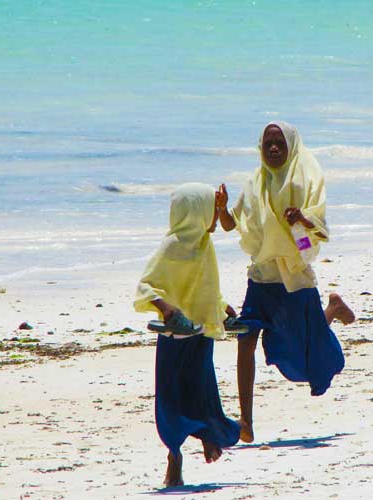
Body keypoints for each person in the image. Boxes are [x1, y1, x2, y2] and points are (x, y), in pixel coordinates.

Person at [217, 121, 355, 443]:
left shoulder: (305, 179)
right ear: (260, 148)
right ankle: (246, 422)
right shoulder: (254, 182)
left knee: (303, 359)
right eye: (268, 144)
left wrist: (303, 220)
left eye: (279, 143)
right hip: (261, 276)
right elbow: (230, 224)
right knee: (245, 339)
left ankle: (331, 311)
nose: (274, 149)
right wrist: (222, 209)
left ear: (291, 146)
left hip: (295, 277)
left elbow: (314, 237)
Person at [134, 183, 240, 486]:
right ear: (195, 214)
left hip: (201, 333)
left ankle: (208, 435)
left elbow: (205, 288)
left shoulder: (205, 245)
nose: (215, 222)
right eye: (211, 213)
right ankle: (174, 455)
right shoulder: (173, 246)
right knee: (172, 399)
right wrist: (166, 308)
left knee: (202, 392)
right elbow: (146, 285)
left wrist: (222, 307)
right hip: (174, 336)